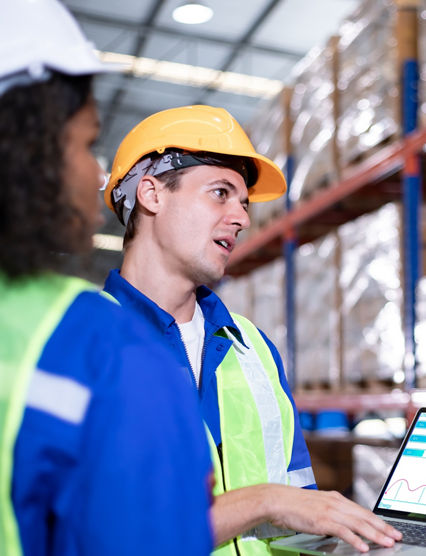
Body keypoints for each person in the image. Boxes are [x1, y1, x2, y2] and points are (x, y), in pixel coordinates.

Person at [103, 105, 403, 555]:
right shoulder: (80, 346)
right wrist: (262, 502)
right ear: (151, 194)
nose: (241, 218)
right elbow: (106, 533)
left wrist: (364, 542)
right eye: (220, 193)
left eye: (243, 203)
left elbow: (295, 518)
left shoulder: (252, 349)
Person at [0, 2, 213, 555]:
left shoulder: (252, 350)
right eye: (84, 141)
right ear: (28, 146)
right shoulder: (104, 352)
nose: (97, 174)